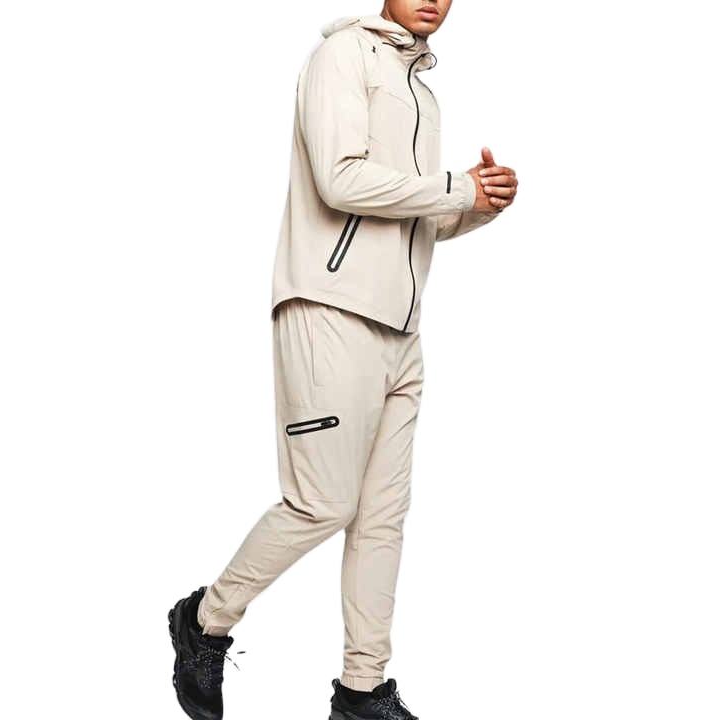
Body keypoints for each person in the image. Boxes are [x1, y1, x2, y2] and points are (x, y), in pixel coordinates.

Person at [168, 2, 518, 719]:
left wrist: (475, 206)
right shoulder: (343, 56)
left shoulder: (420, 88)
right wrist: (454, 186)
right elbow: (341, 180)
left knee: (382, 518)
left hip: (401, 328)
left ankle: (362, 689)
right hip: (329, 309)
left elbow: (409, 215)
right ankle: (205, 619)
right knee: (322, 502)